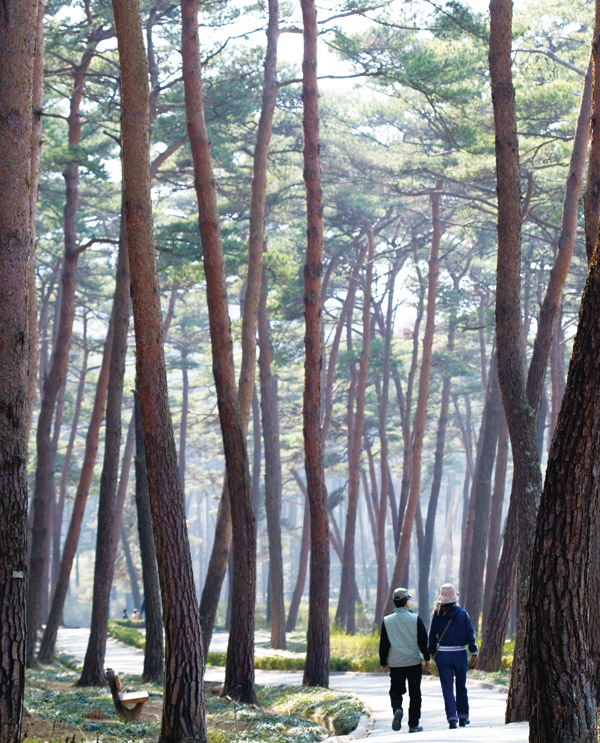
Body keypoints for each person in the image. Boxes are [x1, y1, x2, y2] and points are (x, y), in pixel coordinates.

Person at [379, 587, 431, 733]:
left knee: (395, 690)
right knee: (415, 693)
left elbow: (384, 644)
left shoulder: (387, 621)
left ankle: (397, 708)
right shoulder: (415, 619)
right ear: (407, 602)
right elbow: (422, 641)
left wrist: (383, 662)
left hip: (396, 663)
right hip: (413, 662)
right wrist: (427, 658)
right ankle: (413, 724)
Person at [428, 583, 478, 730]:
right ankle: (463, 716)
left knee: (447, 688)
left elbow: (432, 636)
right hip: (460, 653)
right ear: (454, 598)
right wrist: (473, 652)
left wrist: (432, 652)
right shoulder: (463, 614)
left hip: (443, 654)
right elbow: (470, 634)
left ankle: (451, 719)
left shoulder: (437, 615)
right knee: (461, 685)